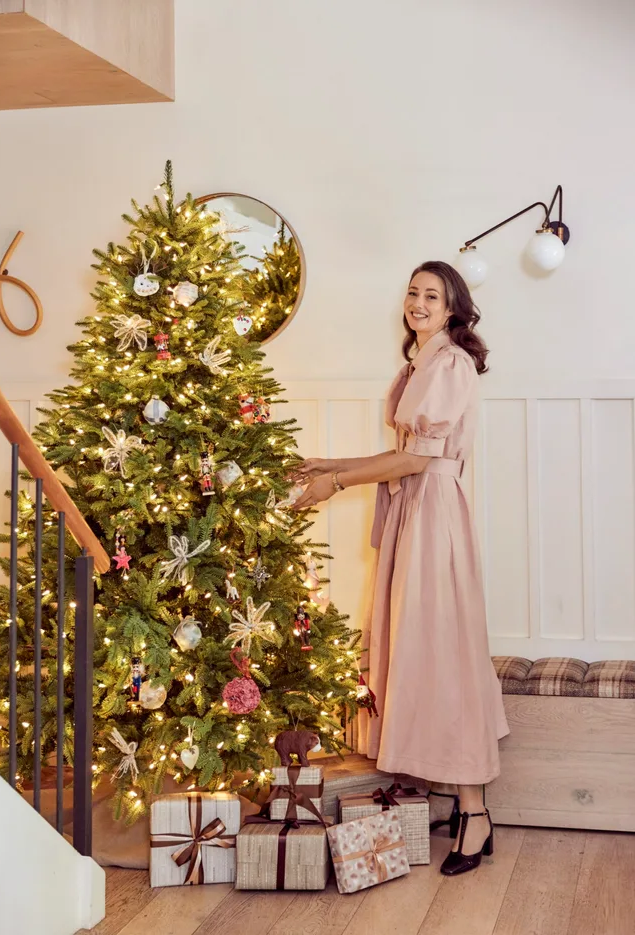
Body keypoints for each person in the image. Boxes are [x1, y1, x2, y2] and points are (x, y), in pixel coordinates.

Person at [292, 261, 509, 876]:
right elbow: (402, 454)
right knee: (427, 652)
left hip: (433, 516)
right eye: (412, 292)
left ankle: (475, 812)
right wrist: (329, 461)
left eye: (431, 295)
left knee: (447, 656)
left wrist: (335, 482)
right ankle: (471, 810)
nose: (417, 302)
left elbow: (417, 462)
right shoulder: (419, 364)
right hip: (417, 514)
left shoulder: (449, 365)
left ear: (453, 308)